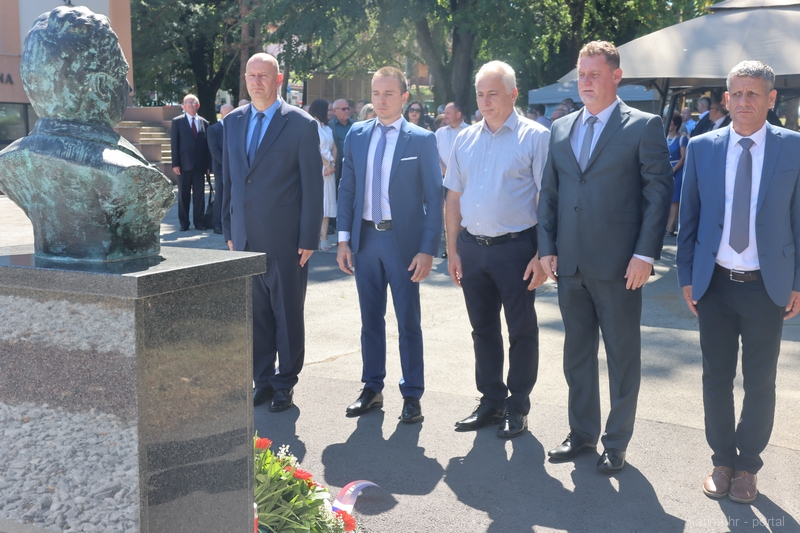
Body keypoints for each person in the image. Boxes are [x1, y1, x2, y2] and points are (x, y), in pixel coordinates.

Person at [537, 41, 673, 473]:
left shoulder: (644, 126)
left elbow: (658, 195)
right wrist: (547, 248)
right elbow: (550, 194)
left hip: (620, 267)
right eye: (581, 74)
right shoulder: (561, 128)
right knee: (576, 356)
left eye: (595, 74)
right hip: (569, 265)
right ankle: (581, 434)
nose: (586, 82)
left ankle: (616, 442)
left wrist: (645, 254)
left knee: (622, 359)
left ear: (616, 76)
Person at [677, 60, 800, 504]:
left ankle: (748, 465)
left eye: (754, 93)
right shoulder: (702, 147)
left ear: (771, 99)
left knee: (760, 381)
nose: (744, 101)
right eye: (737, 93)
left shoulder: (793, 148)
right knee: (716, 377)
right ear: (726, 99)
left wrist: (797, 281)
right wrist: (686, 276)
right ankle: (721, 461)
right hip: (715, 285)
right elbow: (689, 217)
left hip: (767, 285)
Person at [444, 61, 550, 439]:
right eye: (480, 94)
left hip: (517, 250)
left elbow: (547, 200)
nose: (485, 101)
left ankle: (517, 406)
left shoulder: (536, 137)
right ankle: (491, 400)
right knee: (482, 329)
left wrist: (542, 255)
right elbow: (453, 198)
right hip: (472, 249)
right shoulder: (464, 139)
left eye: (493, 93)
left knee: (521, 330)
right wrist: (452, 250)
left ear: (513, 94)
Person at [336, 66, 443, 424]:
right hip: (365, 240)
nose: (381, 101)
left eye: (389, 94)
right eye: (376, 93)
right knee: (370, 319)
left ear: (405, 97)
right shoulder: (357, 134)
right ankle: (372, 388)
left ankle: (412, 394)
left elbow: (435, 197)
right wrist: (343, 240)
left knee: (408, 321)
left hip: (404, 244)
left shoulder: (422, 139)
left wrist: (427, 249)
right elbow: (347, 188)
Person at [221, 53, 323, 412]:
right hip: (244, 238)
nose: (256, 81)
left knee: (287, 315)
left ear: (278, 80)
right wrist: (228, 227)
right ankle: (262, 380)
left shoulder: (301, 124)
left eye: (264, 75)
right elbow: (230, 179)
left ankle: (284, 383)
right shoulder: (232, 122)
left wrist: (309, 237)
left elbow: (313, 187)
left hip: (286, 240)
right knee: (256, 316)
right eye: (251, 75)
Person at [171, 94, 211, 231]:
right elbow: (174, 144)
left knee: (199, 196)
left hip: (200, 165)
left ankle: (199, 222)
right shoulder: (177, 122)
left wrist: (208, 165)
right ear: (183, 106)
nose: (191, 105)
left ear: (198, 105)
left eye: (194, 102)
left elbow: (207, 146)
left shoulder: (204, 123)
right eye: (188, 102)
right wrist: (175, 163)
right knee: (183, 195)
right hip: (183, 165)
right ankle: (184, 223)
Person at [309, 99, 337, 251]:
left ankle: (324, 238)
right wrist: (326, 164)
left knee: (327, 204)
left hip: (329, 170)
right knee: (317, 203)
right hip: (317, 168)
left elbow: (334, 147)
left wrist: (332, 165)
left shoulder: (327, 128)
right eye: (328, 109)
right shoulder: (311, 125)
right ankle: (313, 237)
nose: (330, 112)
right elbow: (313, 148)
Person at [206, 103, 234, 234]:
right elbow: (214, 150)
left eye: (232, 112)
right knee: (221, 197)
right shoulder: (213, 129)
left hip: (235, 169)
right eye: (227, 113)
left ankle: (231, 222)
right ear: (221, 114)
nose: (230, 115)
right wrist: (228, 164)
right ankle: (217, 223)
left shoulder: (237, 127)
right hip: (221, 169)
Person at [666, 114, 688, 236]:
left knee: (675, 200)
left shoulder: (681, 139)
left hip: (677, 170)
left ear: (676, 125)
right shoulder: (665, 137)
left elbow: (683, 157)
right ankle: (667, 224)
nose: (668, 125)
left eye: (670, 123)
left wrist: (674, 169)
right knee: (668, 199)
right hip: (666, 170)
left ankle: (671, 227)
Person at [435, 102, 469, 174]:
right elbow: (434, 152)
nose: (445, 116)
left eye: (448, 113)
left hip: (464, 177)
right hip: (442, 177)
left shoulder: (470, 132)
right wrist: (444, 170)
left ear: (458, 115)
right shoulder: (440, 132)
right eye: (445, 113)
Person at [330, 99, 354, 192]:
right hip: (337, 167)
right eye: (343, 109)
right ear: (335, 111)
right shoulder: (329, 126)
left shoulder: (356, 125)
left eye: (348, 108)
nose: (347, 111)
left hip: (354, 166)